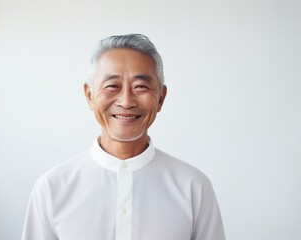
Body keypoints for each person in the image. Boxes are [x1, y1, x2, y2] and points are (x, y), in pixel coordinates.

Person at [21, 34, 226, 240]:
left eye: (141, 87)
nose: (126, 101)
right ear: (90, 95)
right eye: (112, 86)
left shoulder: (193, 187)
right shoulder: (51, 188)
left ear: (161, 98)